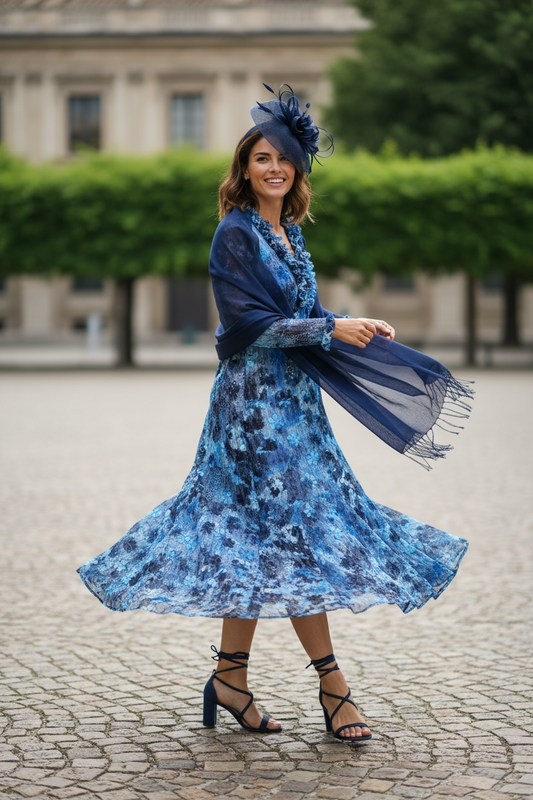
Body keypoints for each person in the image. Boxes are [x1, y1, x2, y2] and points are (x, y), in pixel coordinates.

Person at [78, 84, 472, 743]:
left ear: (297, 171)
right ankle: (333, 686)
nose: (274, 168)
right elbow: (249, 325)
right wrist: (328, 329)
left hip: (295, 403)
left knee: (261, 542)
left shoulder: (286, 232)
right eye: (262, 157)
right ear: (244, 166)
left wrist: (346, 322)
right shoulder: (233, 234)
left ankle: (231, 676)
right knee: (293, 536)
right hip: (253, 413)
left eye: (284, 159)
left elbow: (301, 316)